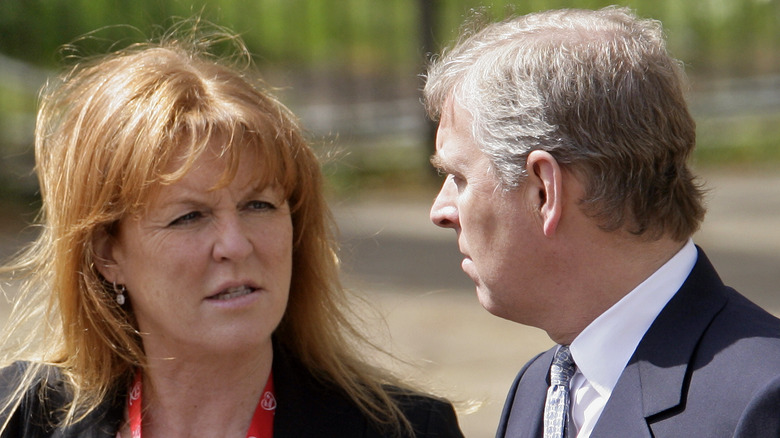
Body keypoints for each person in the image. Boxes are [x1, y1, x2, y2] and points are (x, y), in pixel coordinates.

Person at [0, 24, 464, 438]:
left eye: (258, 205)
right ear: (107, 254)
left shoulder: (406, 430)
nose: (236, 245)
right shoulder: (18, 417)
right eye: (189, 216)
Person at [424, 6, 780, 438]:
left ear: (544, 190)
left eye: (459, 178)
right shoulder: (540, 387)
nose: (440, 211)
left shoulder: (760, 400)